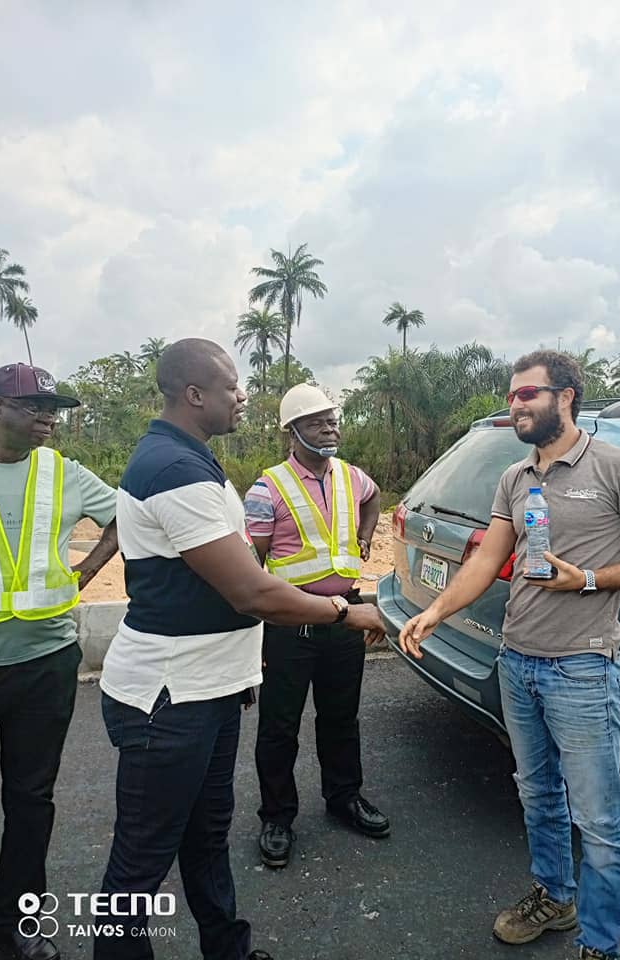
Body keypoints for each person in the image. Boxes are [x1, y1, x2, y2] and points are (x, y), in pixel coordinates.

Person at [95, 341, 384, 960]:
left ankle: (227, 949)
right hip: (168, 701)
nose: (242, 395)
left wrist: (238, 668)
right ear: (194, 394)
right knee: (138, 869)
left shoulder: (192, 461)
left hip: (209, 686)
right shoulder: (173, 470)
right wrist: (344, 609)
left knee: (207, 838)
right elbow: (250, 587)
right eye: (231, 386)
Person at [399, 350, 620, 960]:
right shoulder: (515, 477)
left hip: (582, 667)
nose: (516, 404)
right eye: (511, 396)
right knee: (537, 795)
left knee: (600, 819)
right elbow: (482, 559)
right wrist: (435, 610)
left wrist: (588, 579)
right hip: (517, 662)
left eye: (527, 394)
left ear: (566, 396)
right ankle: (555, 898)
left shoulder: (619, 469)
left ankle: (600, 943)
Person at [0, 363, 118, 960]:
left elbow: (125, 518)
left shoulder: (62, 472)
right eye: (33, 404)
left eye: (54, 406)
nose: (49, 415)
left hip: (44, 661)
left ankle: (21, 921)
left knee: (30, 797)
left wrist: (87, 571)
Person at [244, 383, 389, 870]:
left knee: (341, 718)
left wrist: (366, 537)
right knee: (280, 726)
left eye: (333, 419)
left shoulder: (351, 476)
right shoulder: (266, 490)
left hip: (346, 617)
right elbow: (251, 566)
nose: (330, 427)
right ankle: (278, 817)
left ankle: (344, 798)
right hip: (291, 624)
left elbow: (373, 500)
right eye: (317, 421)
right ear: (293, 431)